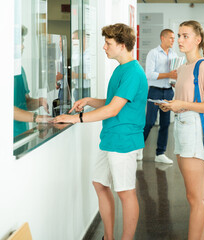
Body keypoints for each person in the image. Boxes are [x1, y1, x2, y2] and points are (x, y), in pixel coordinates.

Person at [52, 23, 148, 240]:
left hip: (124, 141)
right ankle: (108, 237)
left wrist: (75, 119)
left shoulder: (133, 72)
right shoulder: (121, 69)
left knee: (125, 192)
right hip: (111, 138)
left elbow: (114, 109)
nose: (104, 47)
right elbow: (113, 102)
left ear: (122, 46)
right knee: (100, 183)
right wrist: (89, 101)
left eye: (108, 43)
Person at [158, 20, 204, 240]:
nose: (180, 40)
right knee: (191, 195)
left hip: (194, 130)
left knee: (197, 198)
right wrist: (173, 104)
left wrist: (182, 105)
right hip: (182, 127)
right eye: (179, 36)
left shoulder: (203, 66)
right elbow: (185, 99)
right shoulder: (183, 67)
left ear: (198, 39)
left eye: (185, 36)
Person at [142, 29, 178, 164]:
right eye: (170, 38)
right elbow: (149, 74)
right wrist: (169, 75)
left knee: (165, 123)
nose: (173, 40)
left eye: (174, 38)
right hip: (155, 91)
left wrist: (174, 80)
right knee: (150, 122)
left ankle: (160, 153)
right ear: (162, 38)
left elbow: (174, 75)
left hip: (168, 91)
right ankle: (138, 149)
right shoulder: (154, 53)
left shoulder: (174, 54)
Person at [14, 25, 50, 137]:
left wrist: (39, 101)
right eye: (19, 43)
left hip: (23, 134)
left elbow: (25, 102)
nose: (22, 47)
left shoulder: (19, 70)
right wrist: (37, 118)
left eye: (22, 42)